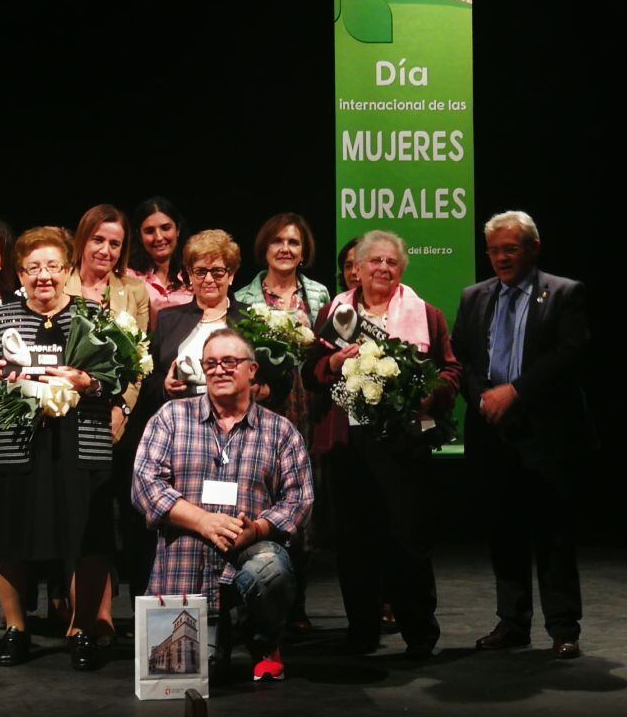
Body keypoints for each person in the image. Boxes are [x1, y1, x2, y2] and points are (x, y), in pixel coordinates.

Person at [303, 230, 460, 660]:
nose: (383, 269)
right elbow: (308, 370)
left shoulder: (426, 314)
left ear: (402, 268)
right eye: (375, 262)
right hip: (347, 443)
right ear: (358, 267)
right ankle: (362, 630)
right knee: (354, 542)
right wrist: (333, 363)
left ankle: (419, 634)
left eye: (392, 262)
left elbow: (450, 370)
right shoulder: (336, 312)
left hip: (403, 444)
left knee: (408, 541)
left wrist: (430, 394)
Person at [133, 329, 313, 683]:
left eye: (230, 362)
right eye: (211, 363)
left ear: (252, 370)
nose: (219, 370)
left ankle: (264, 642)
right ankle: (220, 638)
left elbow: (299, 498)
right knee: (190, 675)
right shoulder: (171, 417)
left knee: (270, 570)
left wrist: (257, 530)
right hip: (187, 554)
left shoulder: (281, 431)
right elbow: (145, 484)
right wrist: (202, 521)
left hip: (250, 551)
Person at [452, 211, 592, 660]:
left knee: (552, 532)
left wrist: (514, 392)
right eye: (493, 250)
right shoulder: (474, 296)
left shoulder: (564, 293)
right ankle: (512, 624)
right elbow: (463, 357)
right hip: (492, 431)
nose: (500, 257)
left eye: (509, 248)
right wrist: (484, 398)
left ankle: (563, 628)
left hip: (546, 432)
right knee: (503, 530)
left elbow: (570, 355)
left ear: (533, 247)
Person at [0, 226, 117, 671]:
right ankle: (16, 628)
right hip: (21, 442)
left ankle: (81, 630)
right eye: (33, 267)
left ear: (68, 271)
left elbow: (117, 379)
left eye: (53, 267)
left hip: (82, 442)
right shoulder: (3, 317)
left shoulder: (92, 314)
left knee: (87, 537)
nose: (44, 276)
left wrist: (86, 382)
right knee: (11, 535)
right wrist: (3, 381)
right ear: (20, 273)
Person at [122, 229, 252, 600]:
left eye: (218, 271)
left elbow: (267, 380)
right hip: (183, 434)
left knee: (232, 516)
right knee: (185, 519)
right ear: (189, 274)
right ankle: (176, 600)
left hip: (237, 432)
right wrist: (165, 386)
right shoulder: (169, 320)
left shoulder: (250, 321)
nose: (209, 279)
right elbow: (145, 381)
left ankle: (236, 603)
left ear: (232, 274)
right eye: (200, 271)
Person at [235, 213, 331, 632]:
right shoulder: (244, 297)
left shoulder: (320, 294)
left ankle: (296, 605)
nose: (285, 249)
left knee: (302, 507)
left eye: (293, 242)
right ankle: (258, 600)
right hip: (265, 412)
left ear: (304, 250)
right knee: (263, 503)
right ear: (265, 248)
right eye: (277, 241)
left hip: (309, 410)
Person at [64, 203, 150, 442]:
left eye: (115, 244)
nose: (105, 251)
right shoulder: (59, 282)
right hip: (61, 405)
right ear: (82, 240)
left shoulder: (135, 291)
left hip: (109, 412)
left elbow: (139, 364)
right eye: (97, 240)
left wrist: (122, 409)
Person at [126, 196, 193, 328]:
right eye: (150, 231)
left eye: (166, 228)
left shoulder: (194, 274)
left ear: (178, 229)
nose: (159, 237)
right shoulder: (128, 278)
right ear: (139, 236)